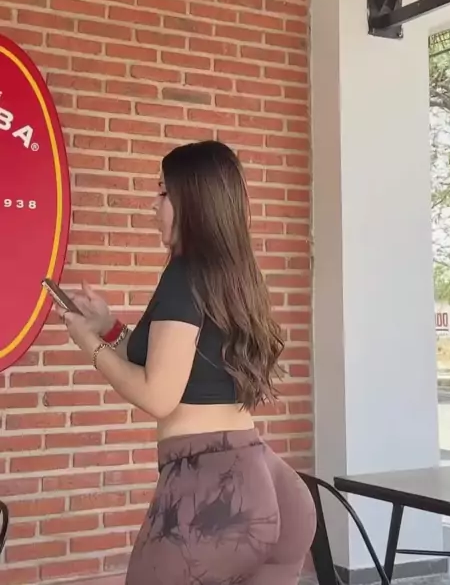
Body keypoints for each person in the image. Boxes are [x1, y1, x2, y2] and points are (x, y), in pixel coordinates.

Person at [60, 140, 316, 584]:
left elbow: (158, 395)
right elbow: (174, 362)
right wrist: (107, 327)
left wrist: (88, 345)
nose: (152, 205)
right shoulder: (235, 274)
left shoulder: (184, 275)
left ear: (192, 202)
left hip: (211, 495)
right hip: (269, 482)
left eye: (163, 192)